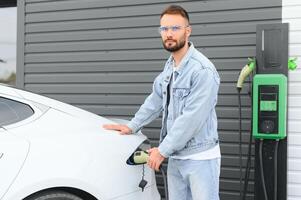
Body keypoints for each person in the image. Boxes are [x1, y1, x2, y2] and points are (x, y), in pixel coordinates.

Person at [103, 5, 221, 200]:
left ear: (188, 31)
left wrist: (162, 151)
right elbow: (155, 100)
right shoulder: (170, 66)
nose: (169, 34)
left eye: (175, 28)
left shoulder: (203, 71)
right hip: (176, 157)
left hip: (200, 158)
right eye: (164, 29)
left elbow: (191, 118)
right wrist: (132, 126)